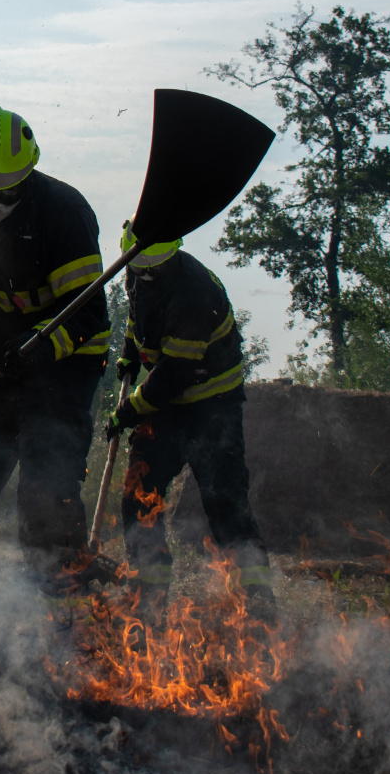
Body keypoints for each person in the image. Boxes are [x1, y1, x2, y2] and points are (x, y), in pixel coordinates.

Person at [0, 106, 111, 591]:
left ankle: (67, 618)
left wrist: (42, 346)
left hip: (65, 365)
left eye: (8, 191)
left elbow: (89, 315)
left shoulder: (64, 212)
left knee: (45, 491)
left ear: (29, 173)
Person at [111, 220, 274, 615]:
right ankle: (147, 598)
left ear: (173, 254)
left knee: (226, 504)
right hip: (168, 407)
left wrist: (130, 409)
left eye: (154, 269)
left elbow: (173, 375)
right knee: (139, 493)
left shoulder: (194, 291)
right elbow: (139, 315)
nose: (146, 275)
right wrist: (130, 351)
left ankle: (256, 606)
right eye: (139, 268)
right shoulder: (137, 270)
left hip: (211, 405)